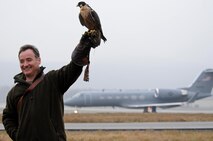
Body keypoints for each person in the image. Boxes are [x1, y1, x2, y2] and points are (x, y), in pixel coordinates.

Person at [2, 31, 101, 141]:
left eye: (29, 60)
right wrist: (18, 136)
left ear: (38, 60)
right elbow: (8, 117)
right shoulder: (14, 92)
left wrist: (83, 48)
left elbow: (73, 69)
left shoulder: (53, 80)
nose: (25, 64)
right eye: (22, 61)